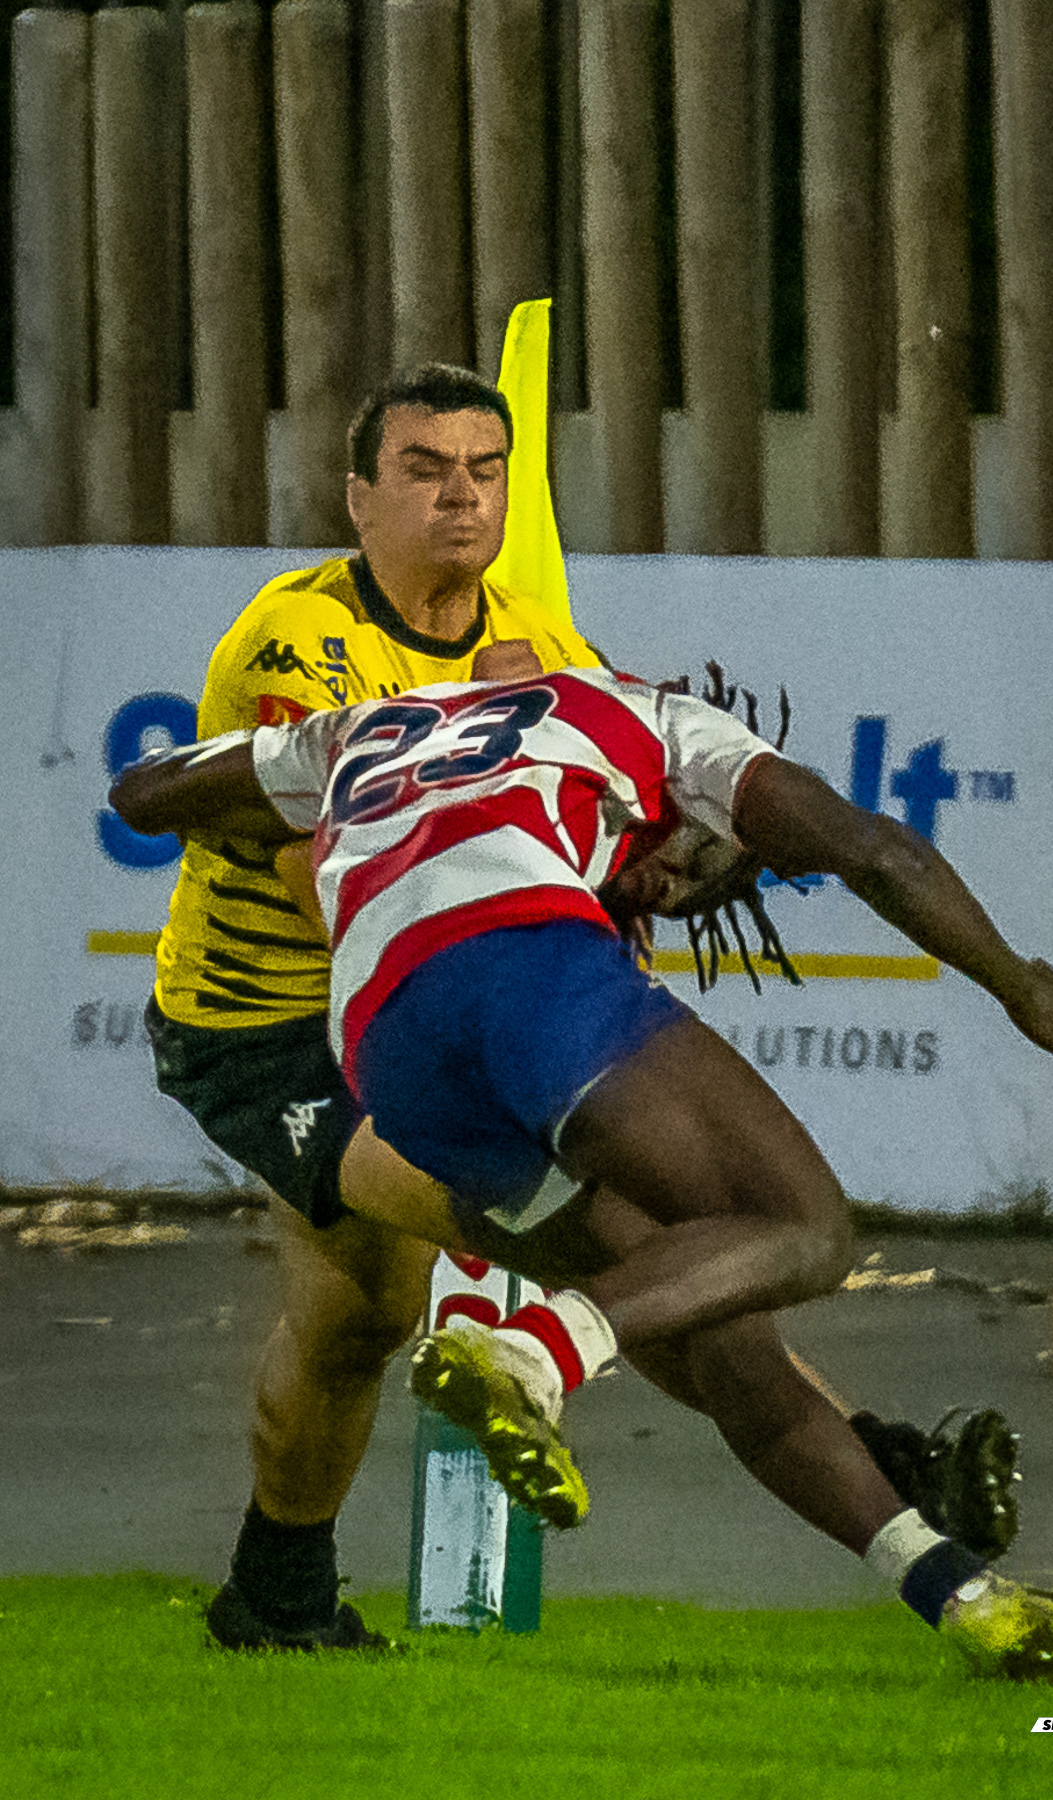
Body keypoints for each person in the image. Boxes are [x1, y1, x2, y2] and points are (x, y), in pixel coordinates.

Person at [112, 657, 1053, 1676]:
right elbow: (880, 854)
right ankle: (533, 1353)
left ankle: (961, 1596)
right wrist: (1023, 987)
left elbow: (148, 793)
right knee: (810, 1228)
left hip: (385, 1043)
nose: (666, 884)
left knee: (716, 1326)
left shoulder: (358, 731)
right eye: (705, 868)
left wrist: (263, 812)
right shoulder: (669, 727)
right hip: (518, 961)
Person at [144, 357, 607, 1651]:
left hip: (402, 1008)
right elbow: (316, 877)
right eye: (423, 470)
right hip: (262, 1024)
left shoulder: (540, 642)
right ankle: (873, 1484)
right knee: (555, 1214)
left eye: (485, 469)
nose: (460, 496)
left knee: (365, 1314)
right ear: (357, 497)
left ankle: (273, 1602)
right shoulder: (297, 641)